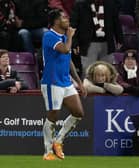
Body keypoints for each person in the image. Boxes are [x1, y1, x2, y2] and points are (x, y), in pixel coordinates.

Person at [41, 9, 86, 160]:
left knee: (78, 113)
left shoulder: (63, 37)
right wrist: (70, 36)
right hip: (52, 82)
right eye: (64, 17)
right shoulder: (49, 36)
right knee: (53, 115)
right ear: (55, 21)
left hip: (65, 82)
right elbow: (65, 49)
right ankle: (47, 152)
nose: (67, 19)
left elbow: (69, 60)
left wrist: (79, 82)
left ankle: (58, 141)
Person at [70, 0, 124, 74]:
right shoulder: (80, 4)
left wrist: (119, 39)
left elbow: (116, 22)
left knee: (107, 72)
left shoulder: (110, 3)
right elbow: (73, 25)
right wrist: (75, 43)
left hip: (107, 43)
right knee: (88, 73)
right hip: (88, 43)